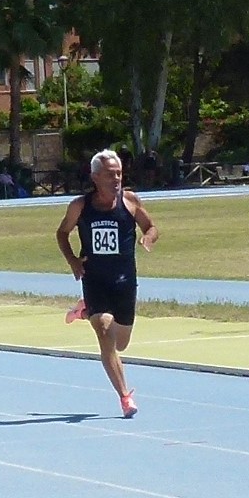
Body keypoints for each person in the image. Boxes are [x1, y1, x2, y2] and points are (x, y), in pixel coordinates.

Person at [56, 149, 160, 418]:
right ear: (95, 177)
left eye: (119, 174)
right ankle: (125, 397)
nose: (116, 179)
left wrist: (147, 238)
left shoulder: (130, 201)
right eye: (110, 175)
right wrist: (73, 260)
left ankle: (83, 311)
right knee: (104, 333)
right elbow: (62, 233)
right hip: (95, 281)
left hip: (125, 282)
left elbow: (152, 227)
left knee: (121, 344)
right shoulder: (80, 206)